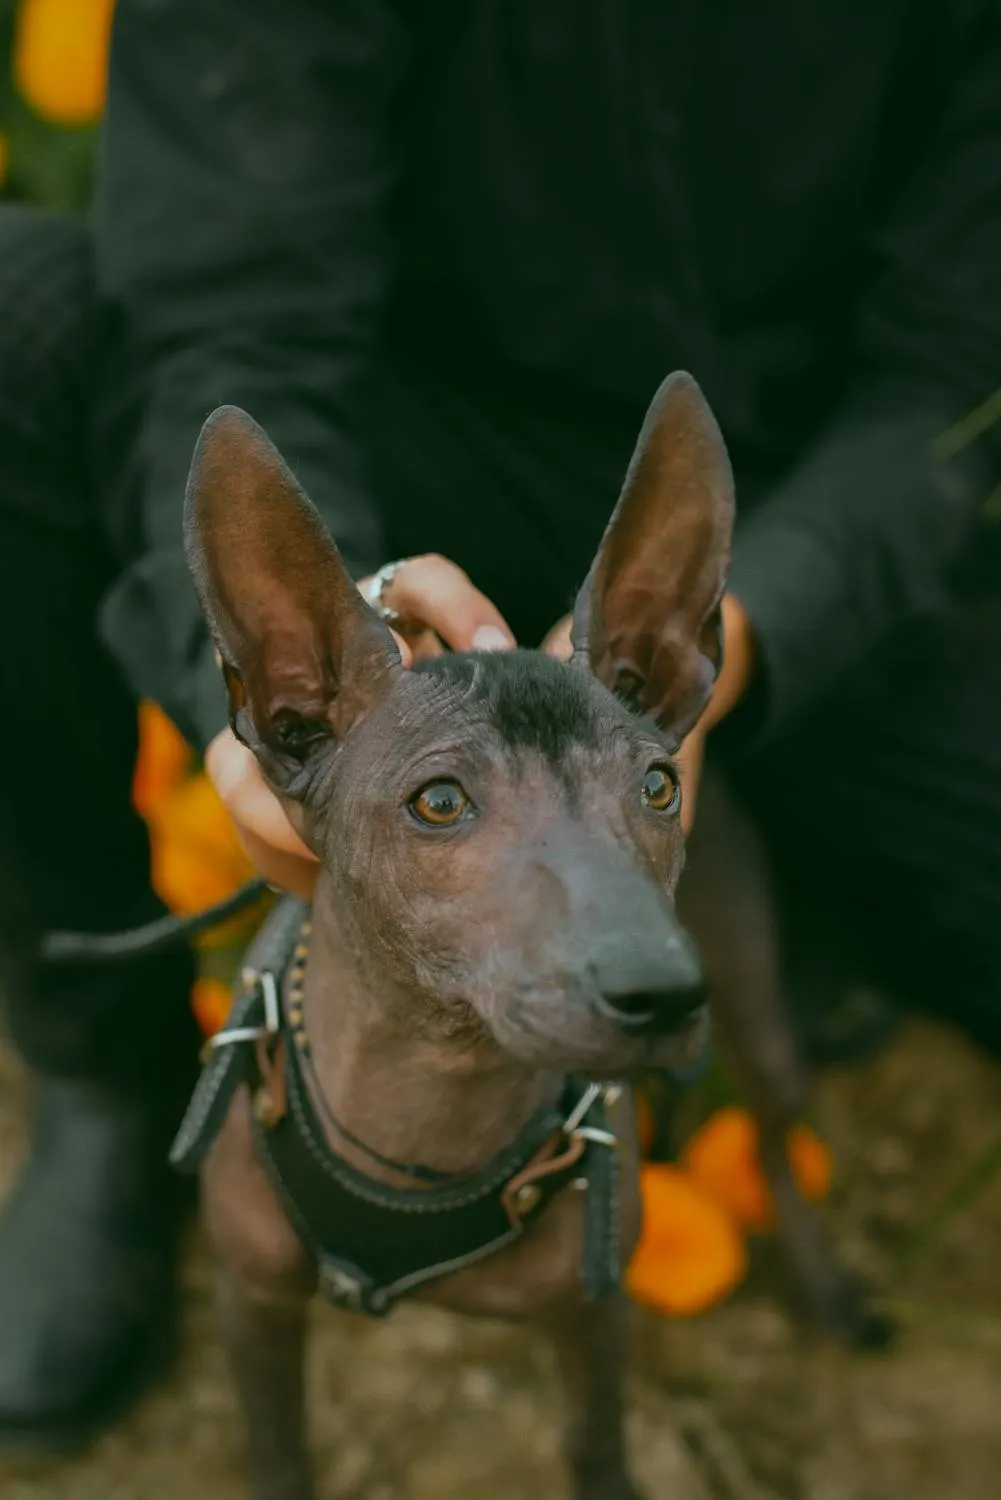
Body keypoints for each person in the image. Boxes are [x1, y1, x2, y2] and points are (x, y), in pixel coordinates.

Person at [0, 0, 999, 1456]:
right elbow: (241, 302)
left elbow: (952, 377)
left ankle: (753, 879)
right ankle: (108, 1071)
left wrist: (742, 633)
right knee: (22, 321)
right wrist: (310, 676)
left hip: (796, 509)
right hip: (414, 440)